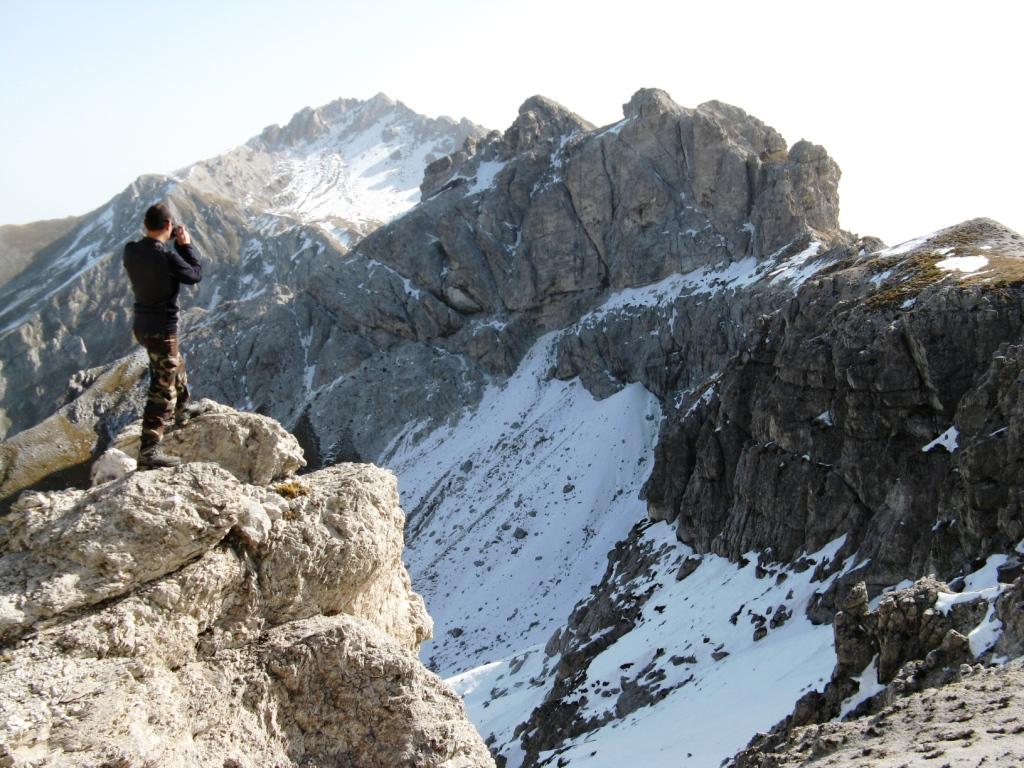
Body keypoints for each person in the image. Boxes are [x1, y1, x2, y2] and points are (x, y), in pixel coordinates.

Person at [123, 202, 204, 469]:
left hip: (142, 325)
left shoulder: (131, 251)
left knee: (174, 362)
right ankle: (149, 452)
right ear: (168, 226)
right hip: (163, 328)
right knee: (162, 387)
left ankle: (183, 408)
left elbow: (152, 260)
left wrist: (170, 246)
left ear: (146, 225)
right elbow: (194, 275)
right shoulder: (167, 257)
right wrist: (184, 246)